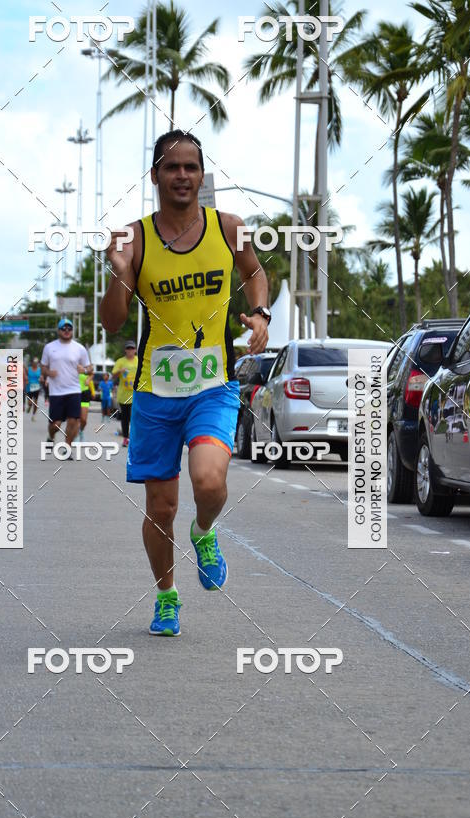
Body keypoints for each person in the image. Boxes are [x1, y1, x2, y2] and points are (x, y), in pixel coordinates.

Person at [102, 129, 270, 636]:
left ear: (202, 175)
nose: (182, 176)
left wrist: (259, 313)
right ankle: (167, 596)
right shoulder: (133, 239)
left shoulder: (229, 228)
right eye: (172, 167)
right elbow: (112, 323)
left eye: (191, 168)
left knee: (209, 481)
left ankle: (204, 533)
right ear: (155, 175)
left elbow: (255, 272)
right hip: (155, 392)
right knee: (161, 506)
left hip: (212, 384)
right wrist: (118, 274)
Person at [40, 319, 92, 455]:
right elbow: (43, 367)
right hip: (56, 392)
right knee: (55, 424)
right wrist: (48, 372)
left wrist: (85, 371)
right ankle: (51, 437)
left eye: (69, 328)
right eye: (64, 328)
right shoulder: (49, 347)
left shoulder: (79, 348)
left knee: (73, 420)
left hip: (74, 390)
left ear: (72, 331)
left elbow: (90, 367)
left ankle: (67, 448)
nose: (67, 331)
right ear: (58, 331)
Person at [111, 341, 138, 447]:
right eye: (128, 348)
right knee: (125, 418)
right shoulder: (120, 361)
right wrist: (120, 371)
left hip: (136, 394)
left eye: (132, 348)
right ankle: (126, 438)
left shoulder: (138, 361)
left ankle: (135, 438)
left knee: (135, 417)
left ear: (135, 350)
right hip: (124, 395)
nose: (130, 351)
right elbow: (113, 376)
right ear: (125, 350)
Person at [78, 367, 95, 439]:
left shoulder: (86, 366)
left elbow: (92, 373)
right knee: (76, 418)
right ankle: (75, 435)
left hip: (84, 394)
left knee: (84, 420)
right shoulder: (75, 363)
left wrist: (89, 379)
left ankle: (81, 430)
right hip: (75, 393)